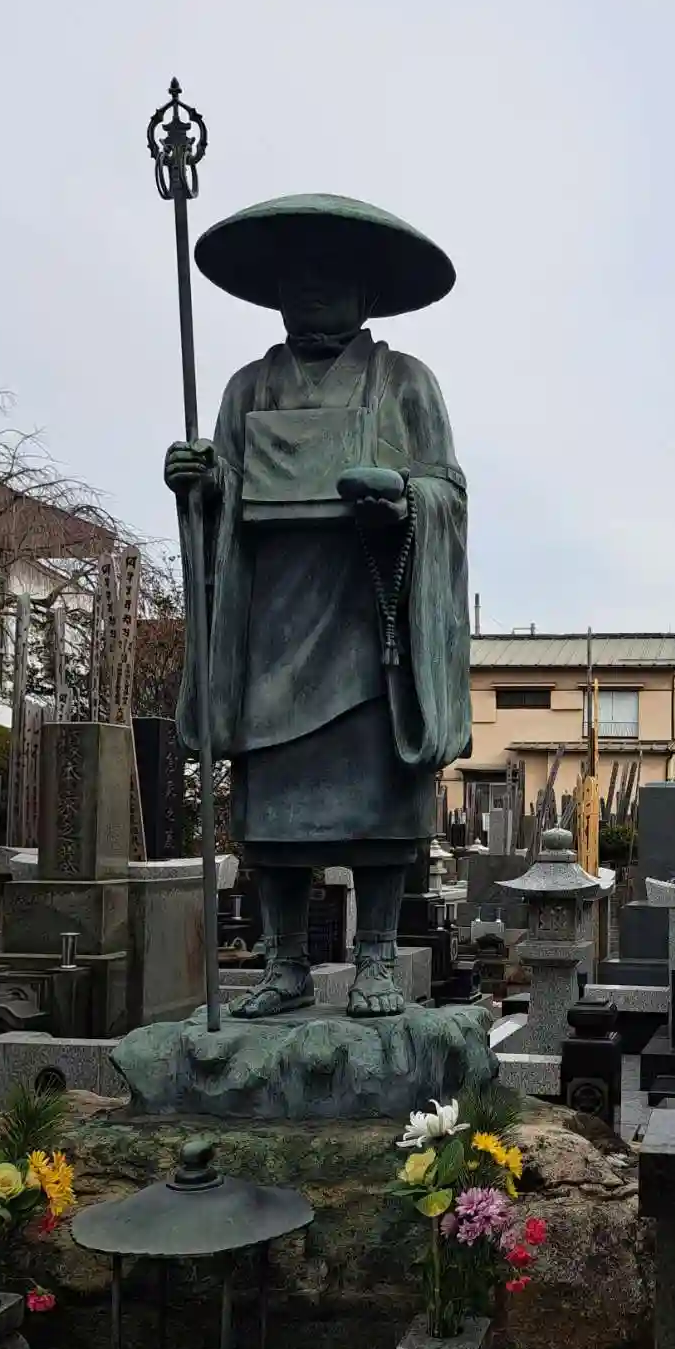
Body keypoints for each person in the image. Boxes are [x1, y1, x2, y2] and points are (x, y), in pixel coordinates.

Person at [164, 194, 469, 1019]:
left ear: (365, 292)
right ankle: (286, 962)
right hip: (272, 622)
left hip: (369, 623)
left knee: (377, 803)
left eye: (330, 277)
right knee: (273, 810)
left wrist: (402, 497)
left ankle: (376, 958)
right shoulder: (248, 387)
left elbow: (448, 491)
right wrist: (199, 482)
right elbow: (221, 491)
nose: (311, 291)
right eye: (295, 278)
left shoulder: (406, 382)